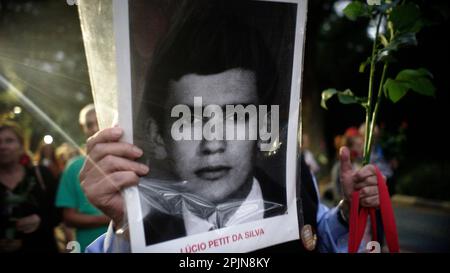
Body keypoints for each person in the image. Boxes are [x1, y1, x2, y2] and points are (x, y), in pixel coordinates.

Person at [81, 1, 381, 253]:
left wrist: (345, 213)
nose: (213, 143)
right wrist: (127, 227)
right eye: (192, 119)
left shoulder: (296, 183)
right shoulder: (135, 220)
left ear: (265, 125)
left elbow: (316, 239)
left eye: (236, 116)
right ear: (158, 136)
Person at [55, 104, 109, 252]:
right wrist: (111, 218)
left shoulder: (129, 159)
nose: (94, 128)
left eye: (98, 121)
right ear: (82, 127)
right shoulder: (73, 168)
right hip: (88, 246)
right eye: (89, 124)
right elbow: (68, 217)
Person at [0, 121, 59, 253]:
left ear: (22, 147)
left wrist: (41, 220)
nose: (2, 146)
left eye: (9, 141)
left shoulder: (41, 175)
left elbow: (59, 212)